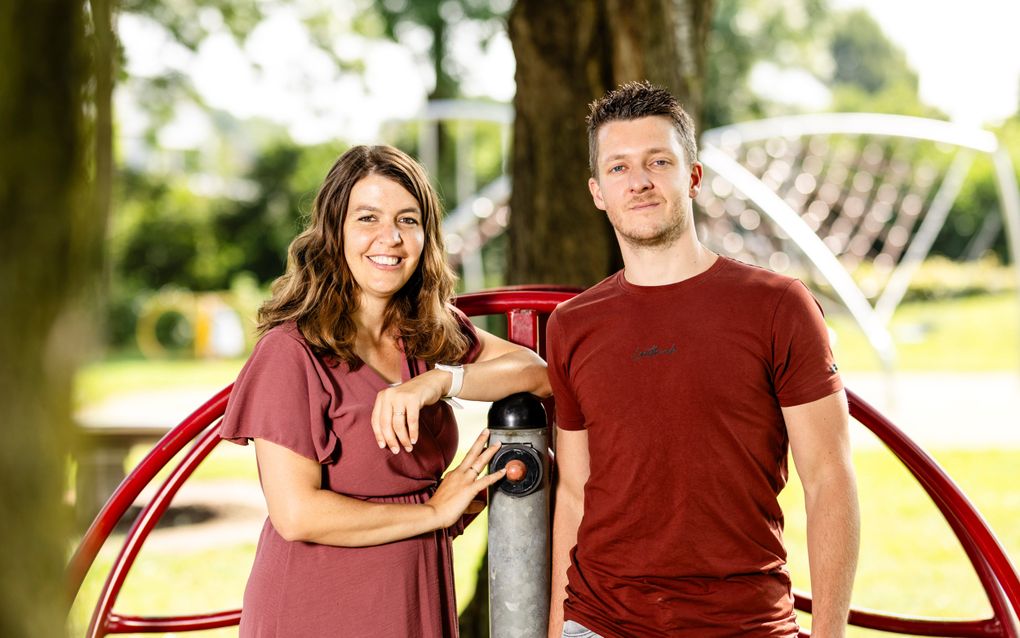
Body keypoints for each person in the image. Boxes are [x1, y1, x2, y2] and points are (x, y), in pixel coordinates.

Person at [546, 81, 860, 638]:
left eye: (657, 161)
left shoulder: (778, 306)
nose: (638, 181)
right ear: (597, 192)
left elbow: (829, 480)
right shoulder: (572, 325)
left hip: (743, 623)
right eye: (618, 168)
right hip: (601, 623)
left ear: (691, 176)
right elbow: (574, 491)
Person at [220, 144, 551, 637]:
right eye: (368, 218)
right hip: (319, 606)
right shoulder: (290, 352)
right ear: (335, 231)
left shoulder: (425, 333)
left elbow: (537, 372)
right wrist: (435, 510)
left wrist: (441, 381)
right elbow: (296, 514)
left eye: (408, 220)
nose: (390, 238)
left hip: (416, 594)